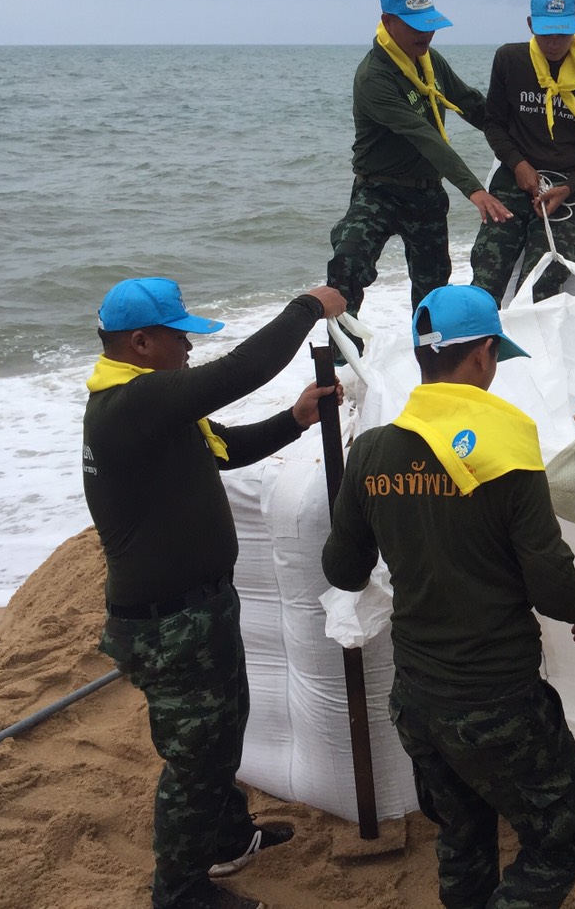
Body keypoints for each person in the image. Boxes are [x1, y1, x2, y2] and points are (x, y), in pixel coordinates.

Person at [321, 285, 575, 908]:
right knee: (564, 829)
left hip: (418, 695)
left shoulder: (371, 450)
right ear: (481, 355)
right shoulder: (509, 445)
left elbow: (343, 570)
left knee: (463, 830)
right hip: (496, 696)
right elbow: (549, 578)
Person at [83, 276, 347, 909]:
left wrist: (295, 420)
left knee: (223, 734)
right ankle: (177, 892)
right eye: (179, 338)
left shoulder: (153, 410)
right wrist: (309, 307)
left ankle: (228, 836)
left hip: (200, 609)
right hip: (167, 623)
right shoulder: (129, 404)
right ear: (141, 343)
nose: (189, 349)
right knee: (196, 760)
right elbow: (240, 371)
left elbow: (223, 449)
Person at [327, 0, 513, 319]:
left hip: (426, 194)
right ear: (388, 21)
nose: (425, 34)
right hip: (377, 192)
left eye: (430, 24)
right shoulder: (374, 77)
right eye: (415, 26)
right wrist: (474, 190)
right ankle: (342, 349)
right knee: (347, 264)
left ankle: (430, 345)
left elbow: (471, 104)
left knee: (433, 291)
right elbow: (423, 135)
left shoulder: (430, 60)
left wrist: (520, 146)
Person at [471, 0, 575, 303]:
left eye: (562, 34)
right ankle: (479, 331)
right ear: (530, 24)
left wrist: (569, 187)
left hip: (563, 187)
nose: (553, 43)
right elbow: (493, 123)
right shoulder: (510, 60)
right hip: (514, 179)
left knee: (544, 278)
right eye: (545, 33)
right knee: (486, 271)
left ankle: (532, 334)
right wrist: (518, 164)